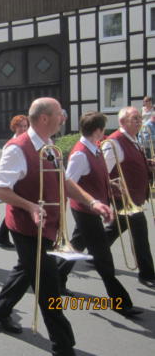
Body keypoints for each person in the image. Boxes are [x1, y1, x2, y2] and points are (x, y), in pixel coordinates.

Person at [0, 98, 111, 356]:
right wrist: (30, 206)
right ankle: (63, 345)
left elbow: (64, 181)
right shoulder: (17, 149)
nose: (64, 118)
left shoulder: (50, 146)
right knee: (48, 286)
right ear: (44, 118)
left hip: (49, 226)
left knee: (25, 270)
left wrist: (92, 202)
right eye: (60, 114)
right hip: (26, 229)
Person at [57, 112, 141, 317]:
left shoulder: (94, 149)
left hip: (92, 208)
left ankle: (56, 280)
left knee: (76, 246)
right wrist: (91, 201)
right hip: (85, 210)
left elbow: (92, 176)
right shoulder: (80, 153)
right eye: (103, 129)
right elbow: (68, 183)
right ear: (97, 131)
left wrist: (110, 185)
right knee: (103, 257)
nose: (105, 132)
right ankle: (120, 301)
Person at [102, 106, 155, 288]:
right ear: (122, 121)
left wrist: (147, 163)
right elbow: (103, 170)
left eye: (140, 118)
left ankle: (96, 251)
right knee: (140, 232)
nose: (139, 121)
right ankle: (147, 273)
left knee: (115, 228)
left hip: (135, 195)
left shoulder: (133, 138)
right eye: (135, 118)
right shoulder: (114, 142)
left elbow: (129, 162)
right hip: (124, 197)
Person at [0, 115, 29, 248]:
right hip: (14, 182)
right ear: (14, 127)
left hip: (22, 180)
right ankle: (4, 236)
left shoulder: (27, 141)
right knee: (15, 209)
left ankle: (1, 236)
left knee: (15, 209)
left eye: (25, 126)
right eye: (20, 126)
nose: (23, 129)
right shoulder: (10, 145)